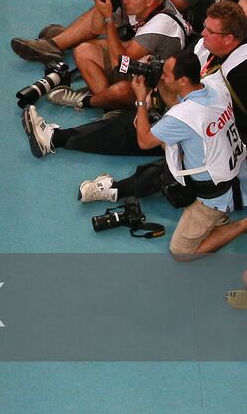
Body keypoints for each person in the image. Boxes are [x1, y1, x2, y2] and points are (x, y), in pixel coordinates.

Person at [77, 50, 247, 260]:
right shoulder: (215, 88)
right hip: (235, 166)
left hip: (214, 193)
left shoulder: (182, 117)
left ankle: (242, 224)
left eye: (166, 74)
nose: (162, 76)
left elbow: (144, 141)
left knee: (181, 253)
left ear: (183, 80)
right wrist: (163, 88)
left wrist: (140, 99)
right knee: (170, 146)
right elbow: (183, 112)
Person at [23, 1, 247, 158]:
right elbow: (184, 70)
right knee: (135, 105)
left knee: (129, 130)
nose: (203, 33)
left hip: (211, 133)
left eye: (210, 31)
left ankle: (52, 139)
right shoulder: (204, 45)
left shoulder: (237, 75)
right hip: (184, 103)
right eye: (204, 28)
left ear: (229, 38)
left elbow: (212, 116)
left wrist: (150, 101)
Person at [34, 0, 187, 110]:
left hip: (155, 88)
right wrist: (100, 4)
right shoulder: (139, 2)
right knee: (83, 49)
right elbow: (95, 29)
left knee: (118, 90)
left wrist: (108, 18)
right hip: (139, 60)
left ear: (149, 1)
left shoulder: (162, 24)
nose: (125, 0)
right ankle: (107, 102)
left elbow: (119, 63)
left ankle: (89, 101)